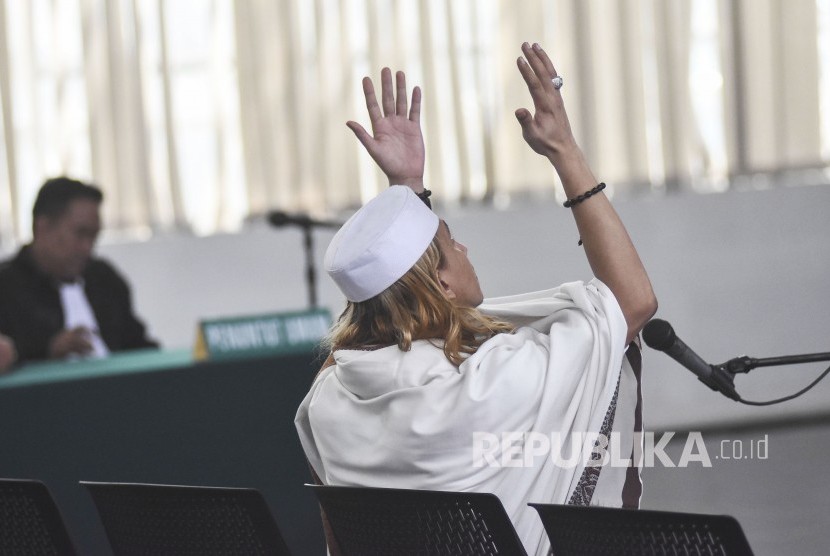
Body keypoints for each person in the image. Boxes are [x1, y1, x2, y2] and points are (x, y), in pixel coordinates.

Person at [295, 43, 657, 555]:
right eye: (450, 241)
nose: (464, 248)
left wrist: (407, 188)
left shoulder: (330, 400)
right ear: (440, 284)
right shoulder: (493, 381)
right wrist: (564, 151)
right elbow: (631, 302)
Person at [0, 177, 158, 365]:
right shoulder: (6, 287)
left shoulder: (104, 278)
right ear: (42, 228)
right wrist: (48, 349)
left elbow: (137, 345)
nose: (87, 247)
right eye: (80, 234)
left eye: (94, 236)